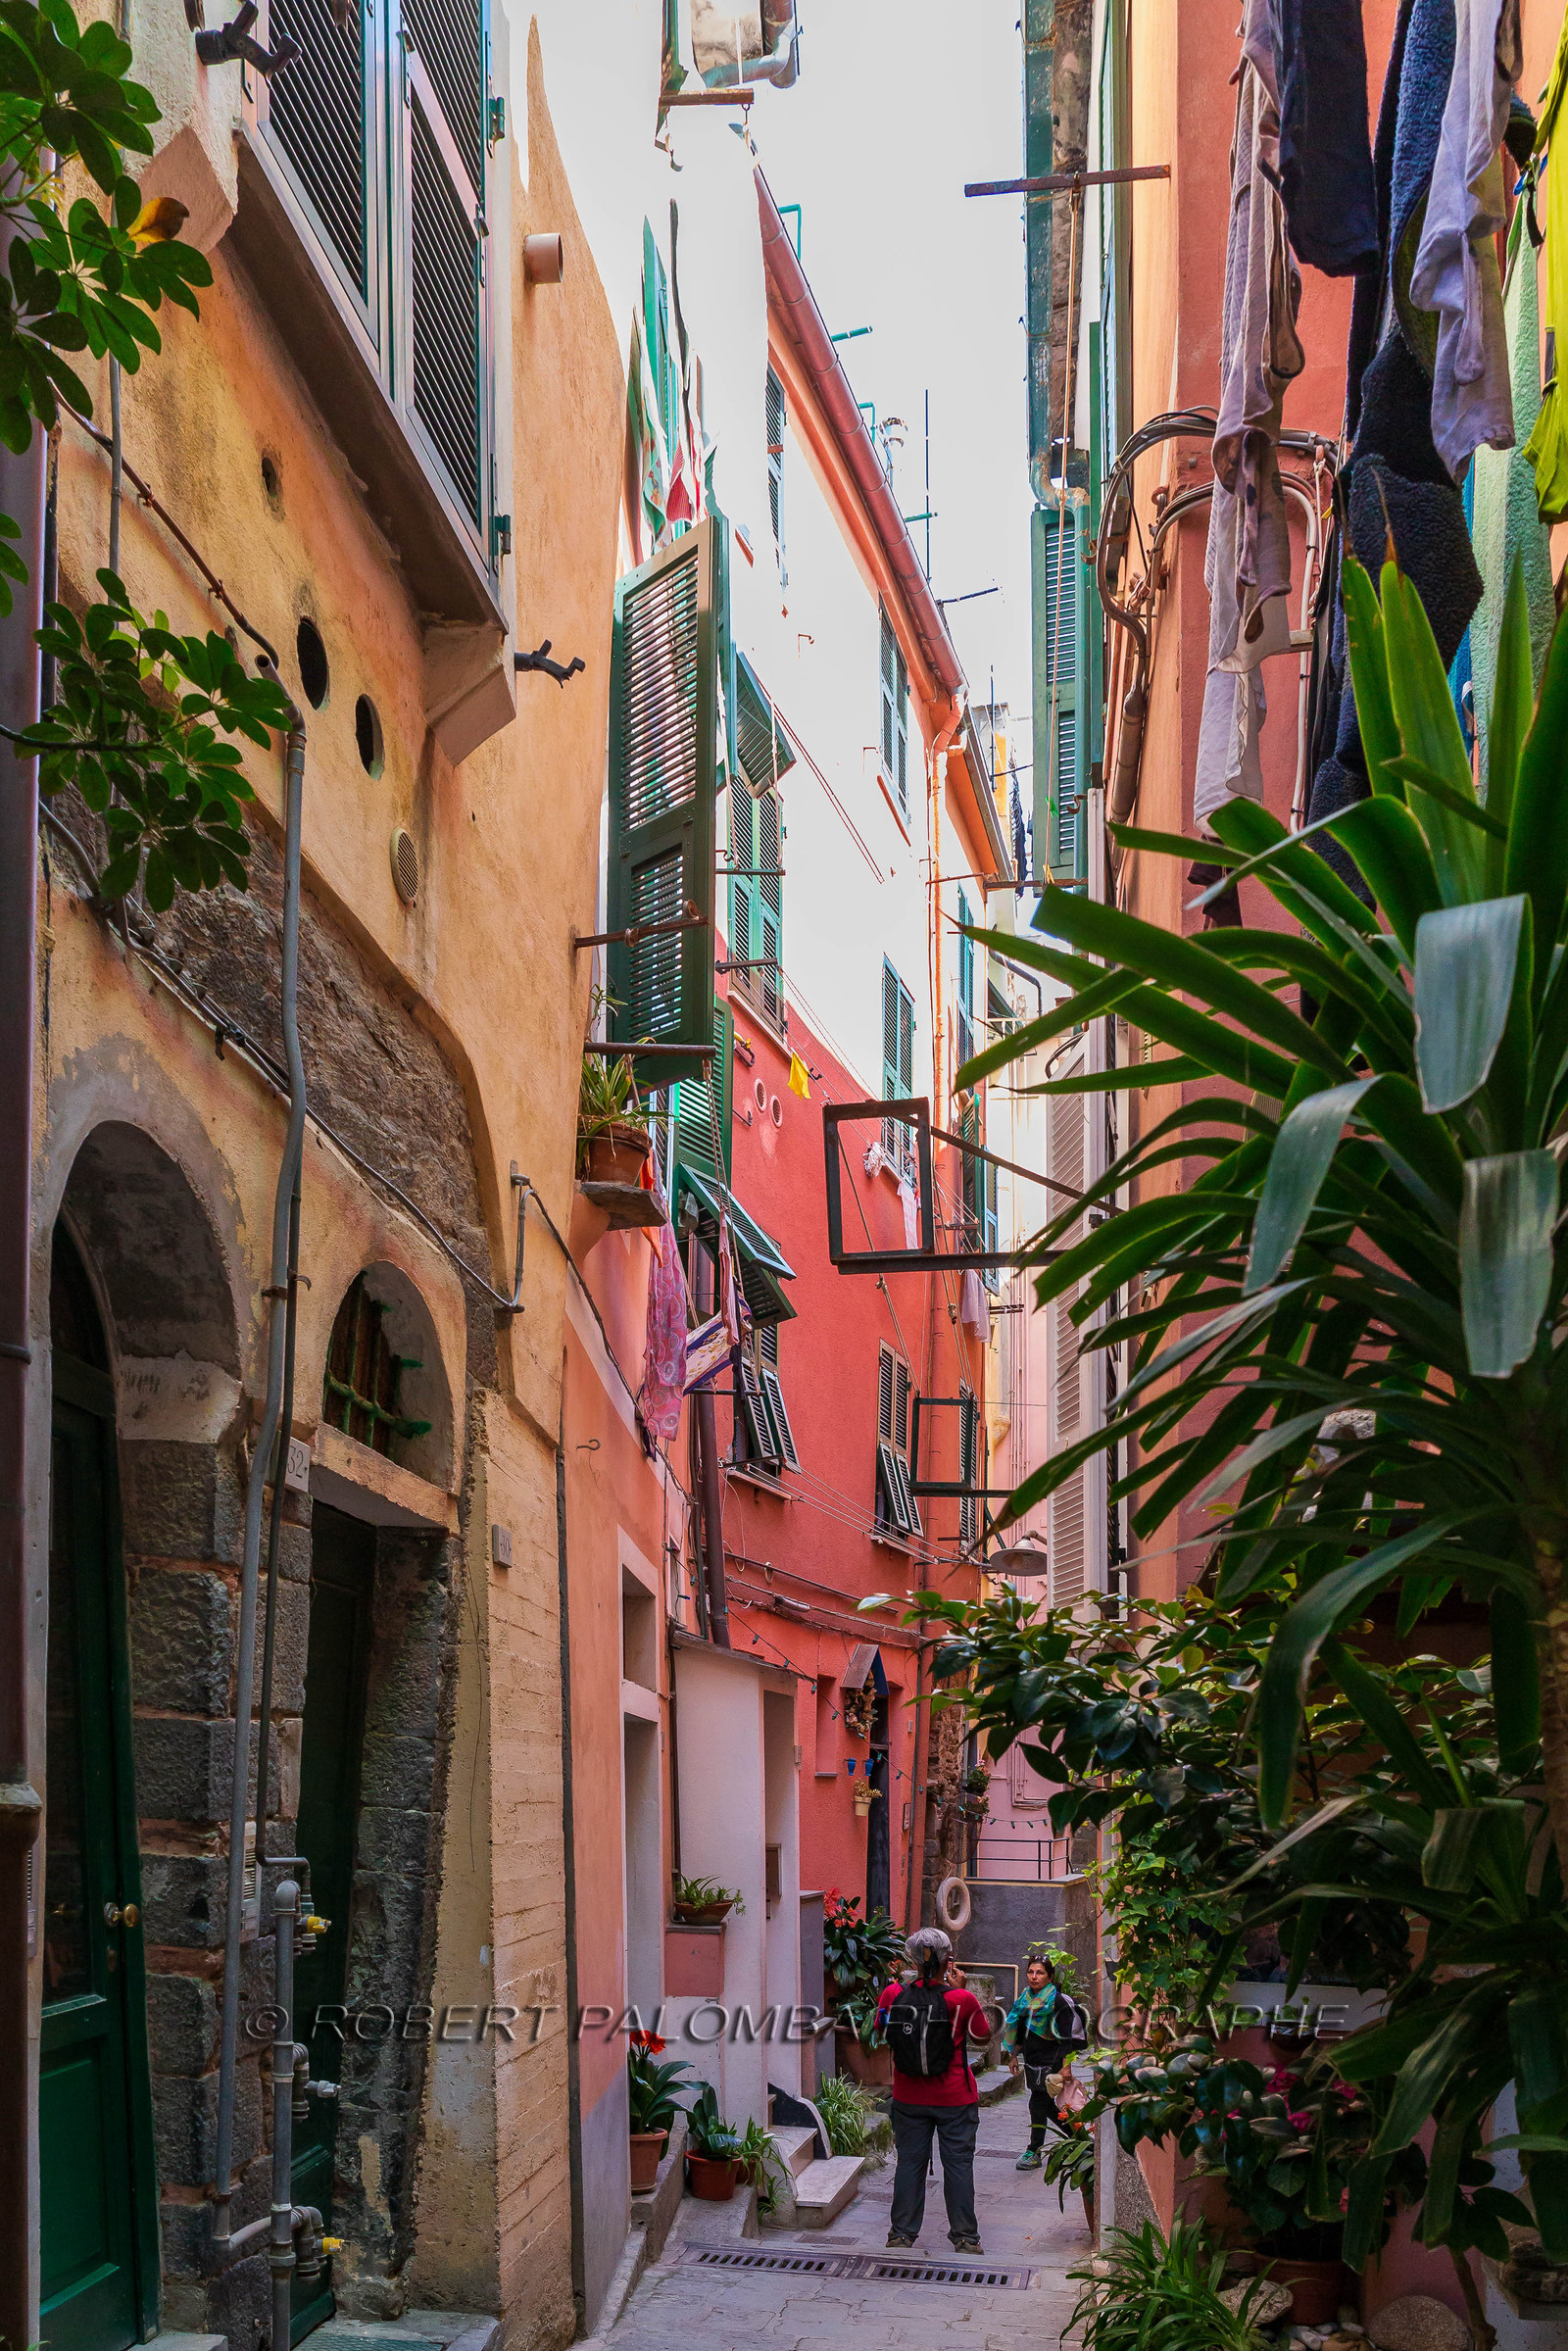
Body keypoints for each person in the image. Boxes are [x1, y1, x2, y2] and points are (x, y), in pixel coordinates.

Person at [874, 1926, 992, 2254]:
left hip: (909, 2096)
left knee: (909, 2163)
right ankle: (965, 2237)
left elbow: (880, 2027)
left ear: (912, 1958)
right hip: (955, 2097)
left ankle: (901, 2234)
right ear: (947, 1961)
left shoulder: (892, 1995)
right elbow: (982, 2037)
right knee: (958, 2165)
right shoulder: (961, 1999)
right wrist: (965, 1992)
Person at [1002, 1950, 1070, 2169]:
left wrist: (1066, 2067)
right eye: (1031, 1972)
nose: (1033, 1976)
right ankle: (1082, 2140)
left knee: (1038, 2103)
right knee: (1046, 2105)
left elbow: (1069, 2036)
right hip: (1032, 2059)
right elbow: (1019, 2029)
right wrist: (1013, 2056)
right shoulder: (1024, 1999)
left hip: (1052, 2059)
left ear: (1050, 1977)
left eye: (1040, 1973)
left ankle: (1034, 2150)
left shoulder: (1058, 2001)